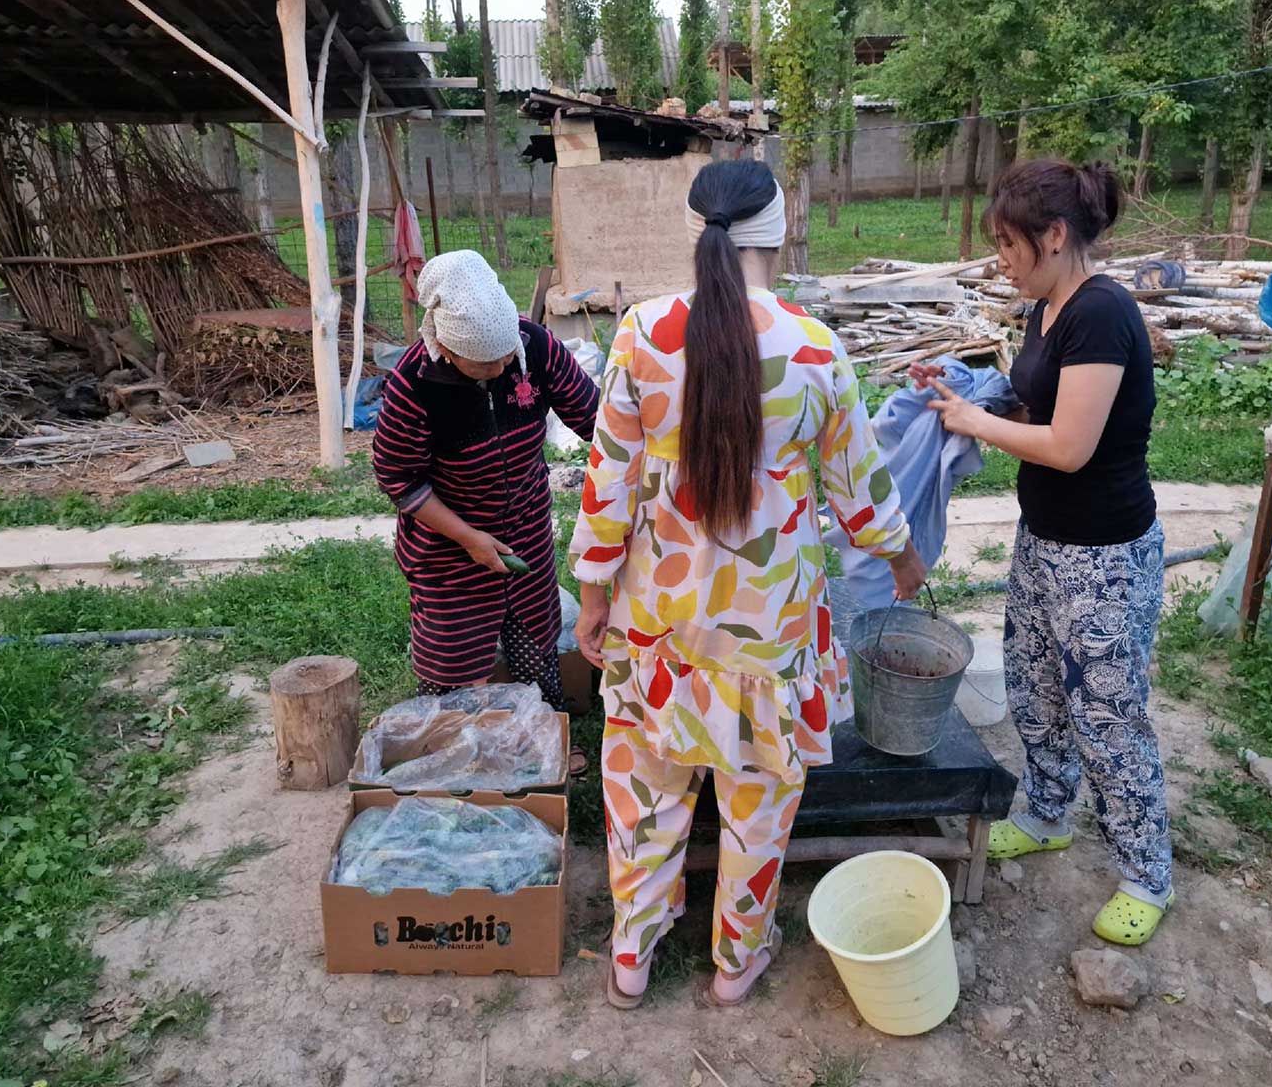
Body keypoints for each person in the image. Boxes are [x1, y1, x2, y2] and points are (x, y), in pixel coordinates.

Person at [571, 160, 928, 1009]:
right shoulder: (814, 346)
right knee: (758, 809)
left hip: (659, 621)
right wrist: (905, 561)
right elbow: (860, 489)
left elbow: (608, 478)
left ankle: (632, 957)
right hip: (771, 631)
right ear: (777, 231)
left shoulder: (643, 333)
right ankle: (737, 964)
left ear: (697, 231)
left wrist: (592, 598)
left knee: (646, 796)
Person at [915, 158, 1173, 946]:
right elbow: (1039, 400)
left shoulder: (1102, 312)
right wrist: (971, 393)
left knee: (1109, 715)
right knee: (1035, 688)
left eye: (1007, 242)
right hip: (1045, 540)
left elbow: (1068, 444)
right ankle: (1049, 812)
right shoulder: (1048, 308)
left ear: (1055, 236)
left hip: (1103, 555)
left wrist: (974, 423)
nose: (1000, 257)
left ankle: (1147, 873)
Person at [372, 248, 600, 718]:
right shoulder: (413, 384)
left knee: (536, 639)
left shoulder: (535, 347)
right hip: (447, 546)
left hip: (527, 530)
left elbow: (597, 419)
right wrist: (469, 538)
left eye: (504, 358)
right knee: (454, 663)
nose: (499, 371)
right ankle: (458, 742)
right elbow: (399, 478)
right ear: (446, 347)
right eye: (483, 365)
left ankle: (542, 733)